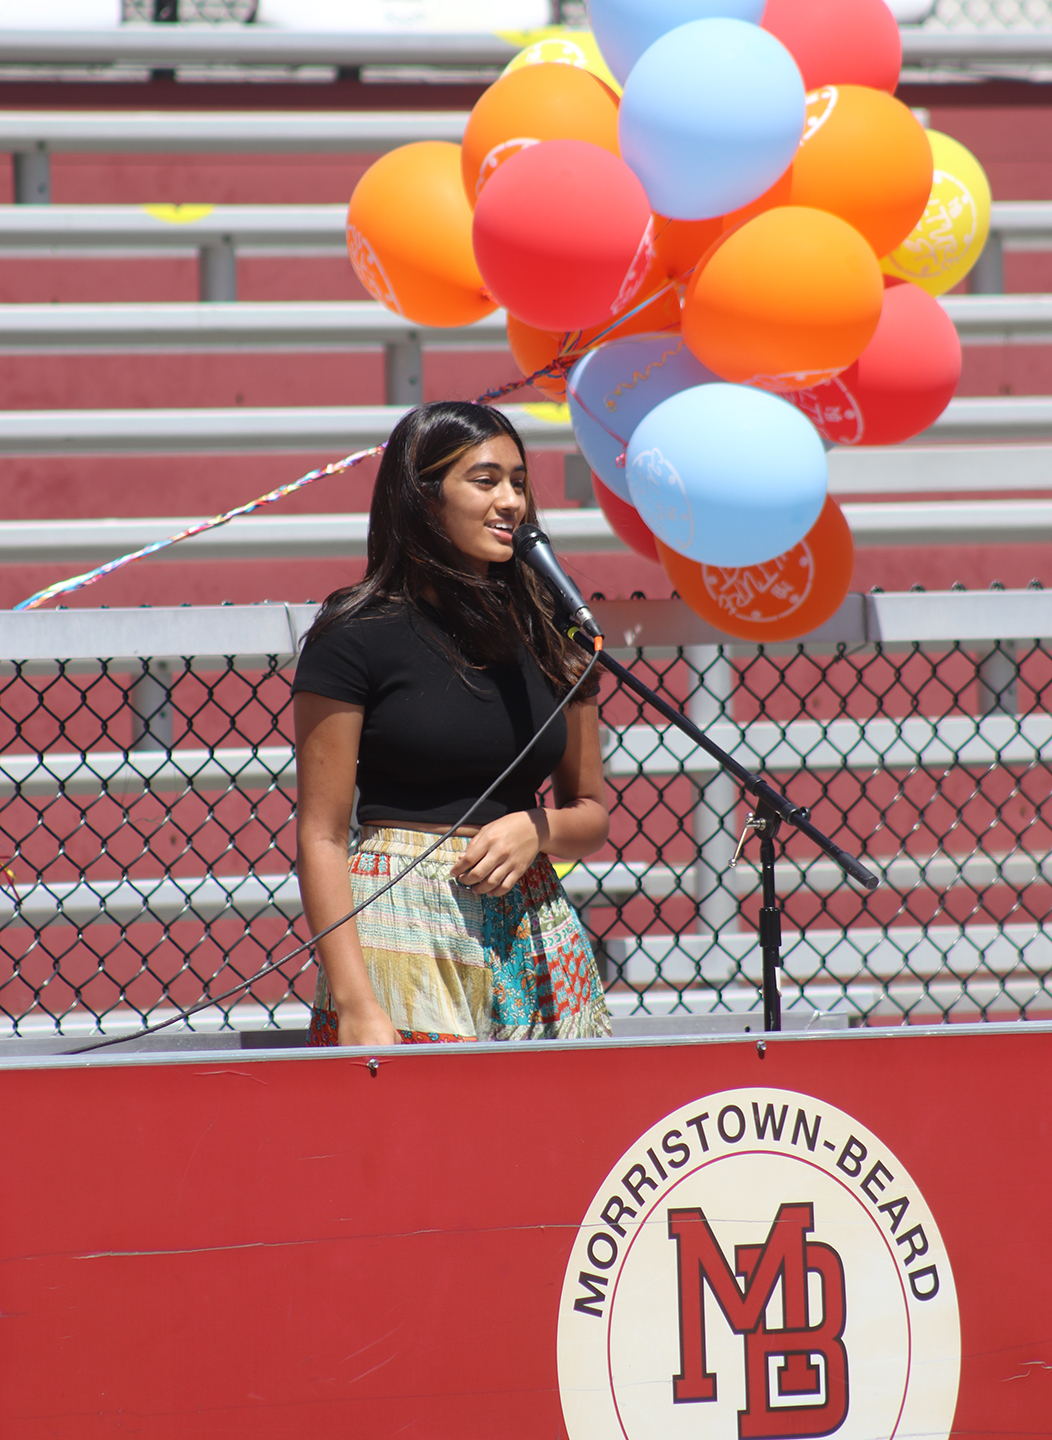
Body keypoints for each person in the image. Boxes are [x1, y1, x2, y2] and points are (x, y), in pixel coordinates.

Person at [292, 401, 612, 1047]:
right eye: (486, 480)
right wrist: (356, 1004)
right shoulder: (355, 634)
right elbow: (321, 834)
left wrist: (537, 828)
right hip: (400, 924)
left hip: (537, 923)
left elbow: (591, 815)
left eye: (519, 483)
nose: (511, 502)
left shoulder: (555, 631)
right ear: (424, 497)